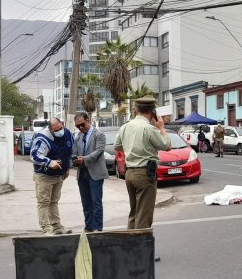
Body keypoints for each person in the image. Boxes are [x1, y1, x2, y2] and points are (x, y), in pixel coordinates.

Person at [114, 95, 171, 229]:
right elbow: (167, 145)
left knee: (134, 213)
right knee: (143, 217)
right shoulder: (149, 128)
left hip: (129, 174)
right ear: (153, 113)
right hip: (145, 174)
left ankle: (130, 245)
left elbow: (117, 146)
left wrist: (131, 149)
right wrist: (161, 127)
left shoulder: (125, 127)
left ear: (136, 111)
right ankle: (140, 248)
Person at [31, 117, 74, 235]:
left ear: (63, 124)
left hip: (59, 175)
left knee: (54, 201)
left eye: (60, 128)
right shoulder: (43, 138)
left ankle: (57, 226)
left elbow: (69, 151)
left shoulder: (67, 133)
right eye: (55, 130)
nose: (59, 131)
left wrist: (67, 167)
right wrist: (50, 163)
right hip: (45, 175)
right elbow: (35, 156)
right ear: (50, 129)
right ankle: (46, 228)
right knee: (44, 202)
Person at [72, 112, 106, 232]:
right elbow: (74, 152)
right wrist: (74, 160)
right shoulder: (78, 137)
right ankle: (89, 227)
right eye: (77, 126)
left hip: (95, 173)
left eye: (82, 124)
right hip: (82, 173)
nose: (80, 128)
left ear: (88, 120)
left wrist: (84, 159)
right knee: (86, 203)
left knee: (96, 202)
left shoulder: (99, 135)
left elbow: (98, 151)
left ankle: (98, 228)